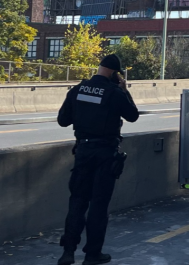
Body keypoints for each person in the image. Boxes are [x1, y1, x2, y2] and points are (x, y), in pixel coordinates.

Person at [56, 54, 139, 265]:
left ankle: (68, 252)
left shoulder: (78, 89)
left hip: (83, 151)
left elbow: (63, 120)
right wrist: (124, 90)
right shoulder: (114, 92)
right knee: (99, 206)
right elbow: (132, 116)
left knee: (77, 202)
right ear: (114, 74)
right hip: (105, 154)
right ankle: (92, 254)